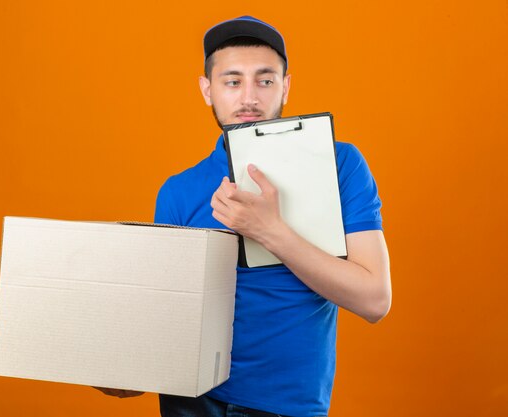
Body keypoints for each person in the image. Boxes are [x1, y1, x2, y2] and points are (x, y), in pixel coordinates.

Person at [99, 16, 391, 417]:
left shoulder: (339, 164)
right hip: (192, 401)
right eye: (233, 81)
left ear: (286, 85)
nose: (249, 97)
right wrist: (126, 373)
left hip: (285, 407)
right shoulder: (178, 191)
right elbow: (168, 315)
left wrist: (270, 232)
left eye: (265, 80)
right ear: (208, 90)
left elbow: (374, 300)